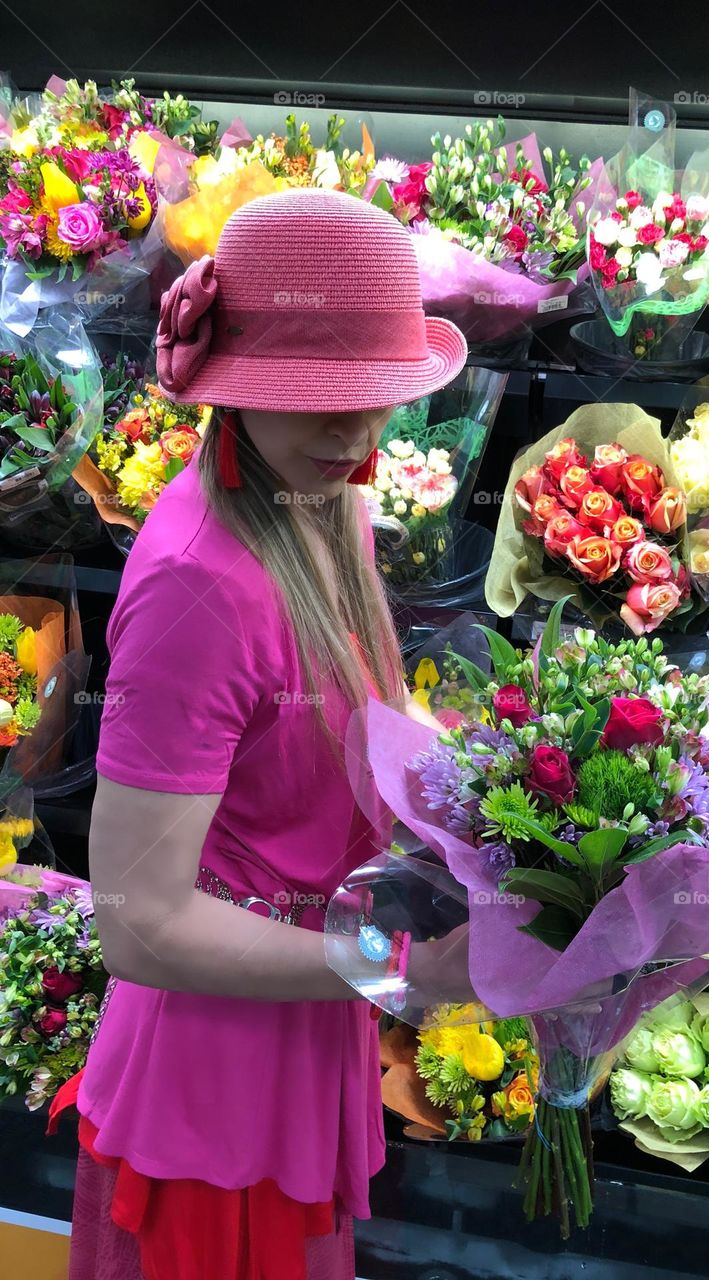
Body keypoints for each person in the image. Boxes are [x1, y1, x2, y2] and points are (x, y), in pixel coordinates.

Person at [55, 188, 469, 1280]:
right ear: (234, 390)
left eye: (375, 393)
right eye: (321, 396)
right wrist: (404, 966)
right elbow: (138, 925)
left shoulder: (325, 500)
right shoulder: (200, 584)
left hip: (297, 1017)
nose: (362, 431)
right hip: (214, 1085)